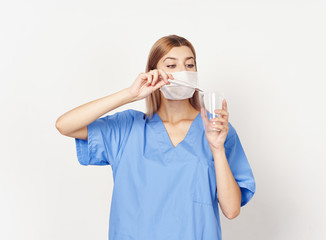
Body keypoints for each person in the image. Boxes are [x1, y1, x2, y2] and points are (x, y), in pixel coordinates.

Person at [55, 34, 256, 240]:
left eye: (189, 65)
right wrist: (129, 94)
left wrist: (218, 149)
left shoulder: (216, 129)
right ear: (153, 72)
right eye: (171, 65)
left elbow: (231, 211)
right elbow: (64, 125)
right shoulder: (128, 128)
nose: (183, 72)